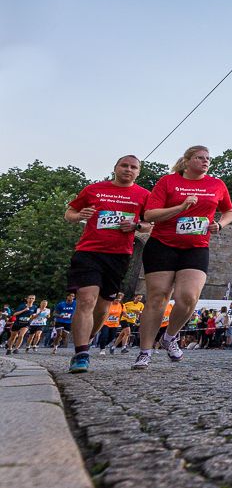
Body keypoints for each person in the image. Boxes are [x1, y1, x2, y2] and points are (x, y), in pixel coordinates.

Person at [134, 146, 232, 370]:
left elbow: (229, 211)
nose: (205, 161)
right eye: (200, 158)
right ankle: (145, 352)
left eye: (208, 158)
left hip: (196, 245)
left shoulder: (216, 184)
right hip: (162, 245)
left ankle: (169, 337)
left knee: (188, 298)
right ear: (187, 161)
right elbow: (149, 215)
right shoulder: (167, 182)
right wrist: (181, 207)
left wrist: (221, 224)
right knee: (158, 298)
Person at [62, 154, 151, 372]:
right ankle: (81, 353)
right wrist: (78, 215)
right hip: (89, 251)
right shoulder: (93, 189)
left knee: (103, 307)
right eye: (124, 165)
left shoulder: (144, 195)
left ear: (138, 172)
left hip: (119, 255)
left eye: (133, 167)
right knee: (86, 300)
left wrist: (136, 225)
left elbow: (151, 224)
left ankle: (88, 337)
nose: (128, 169)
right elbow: (69, 213)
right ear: (115, 168)